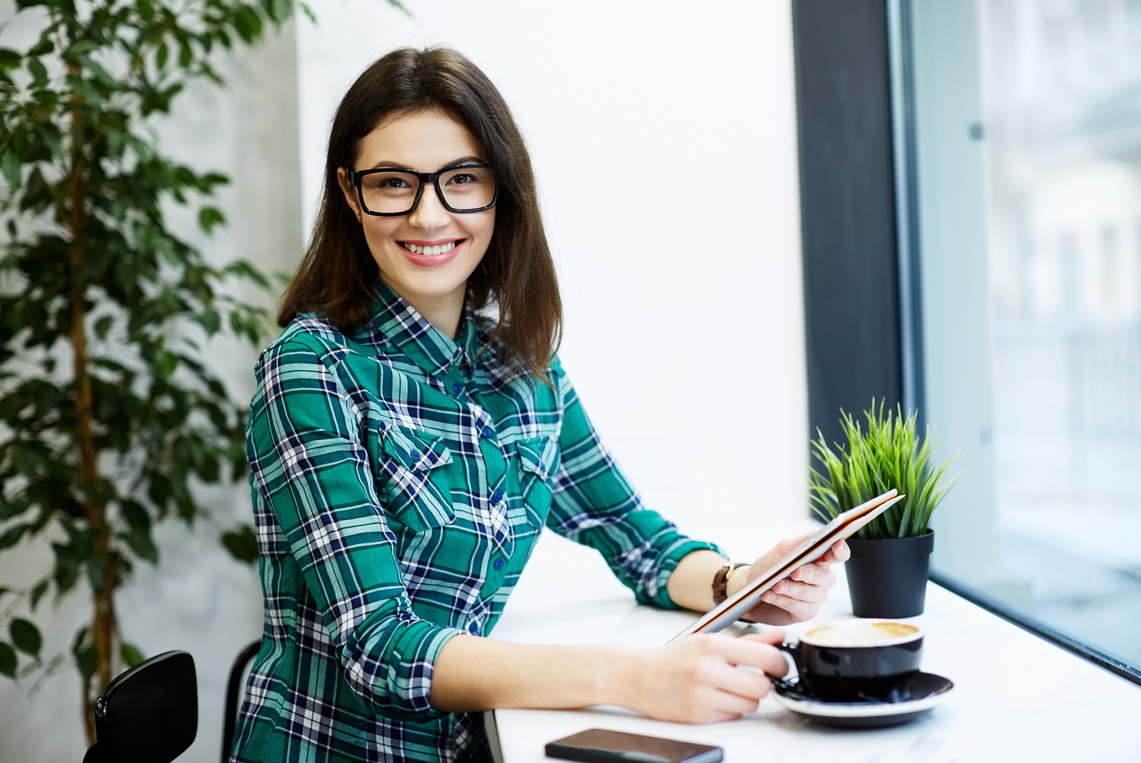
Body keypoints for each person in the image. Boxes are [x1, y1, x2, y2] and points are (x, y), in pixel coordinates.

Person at [229, 47, 849, 763]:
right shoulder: (310, 370)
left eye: (461, 179)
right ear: (349, 190)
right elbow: (383, 647)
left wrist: (740, 582)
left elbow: (632, 534)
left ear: (500, 191)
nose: (429, 216)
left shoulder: (524, 369)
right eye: (394, 182)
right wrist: (637, 679)